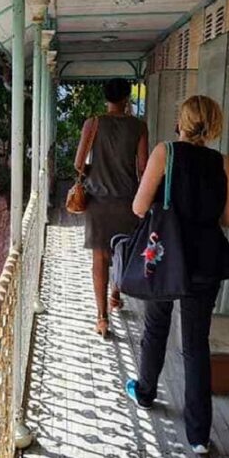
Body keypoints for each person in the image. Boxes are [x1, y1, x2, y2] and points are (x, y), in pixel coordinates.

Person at [124, 96, 229, 455]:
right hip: (208, 260)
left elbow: (139, 207)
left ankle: (145, 392)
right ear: (214, 124)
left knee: (156, 326)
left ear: (183, 121)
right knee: (196, 346)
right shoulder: (223, 163)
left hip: (167, 256)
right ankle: (199, 436)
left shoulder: (166, 153)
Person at [73, 78, 149, 337]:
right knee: (122, 252)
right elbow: (142, 167)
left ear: (105, 97)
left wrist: (98, 172)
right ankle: (116, 295)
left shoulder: (93, 124)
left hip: (98, 202)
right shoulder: (139, 127)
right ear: (127, 97)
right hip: (127, 200)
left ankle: (102, 318)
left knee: (100, 257)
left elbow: (78, 163)